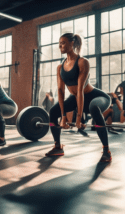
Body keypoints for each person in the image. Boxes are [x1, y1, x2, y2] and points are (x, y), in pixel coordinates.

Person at [47, 33, 112, 162]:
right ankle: (58, 147)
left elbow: (80, 89)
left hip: (95, 97)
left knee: (93, 107)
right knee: (53, 112)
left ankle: (106, 150)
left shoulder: (83, 62)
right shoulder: (60, 67)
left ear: (72, 43)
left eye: (63, 42)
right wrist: (63, 116)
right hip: (76, 97)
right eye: (59, 43)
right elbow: (60, 91)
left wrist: (78, 118)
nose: (60, 45)